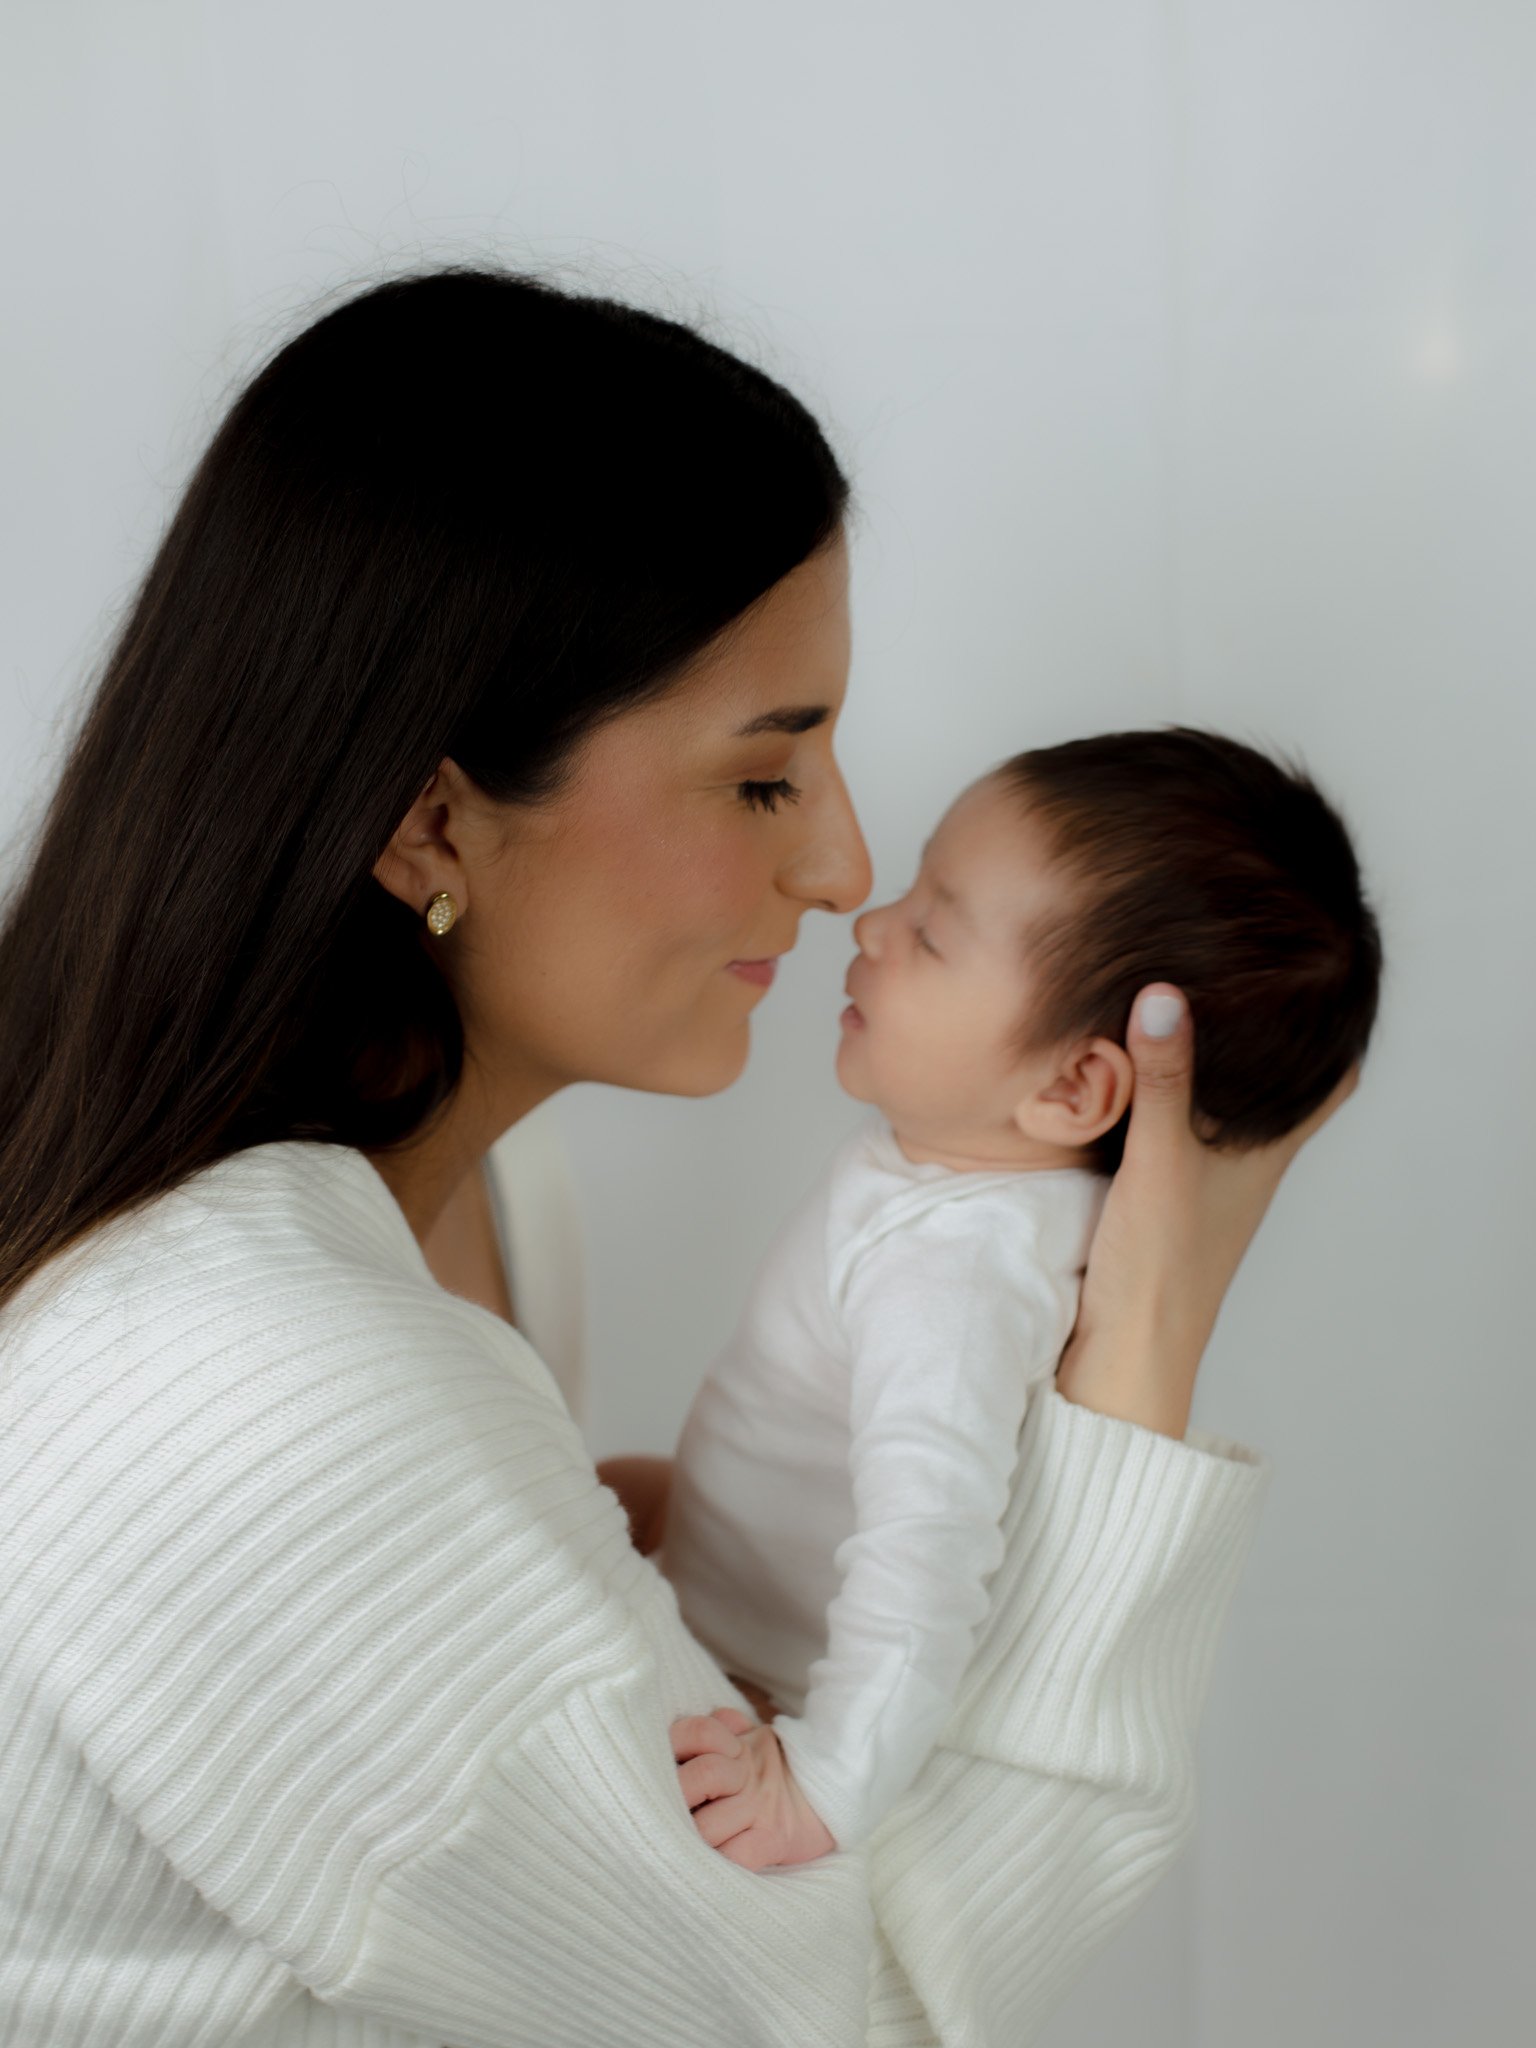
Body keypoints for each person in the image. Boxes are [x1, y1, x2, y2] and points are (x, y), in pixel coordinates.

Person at [0, 264, 1356, 2048]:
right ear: (431, 819)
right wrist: (1142, 1371)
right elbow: (842, 2024)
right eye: (764, 778)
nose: (841, 868)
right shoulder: (273, 1374)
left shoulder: (485, 1212)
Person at [658, 730, 1381, 1870]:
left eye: (931, 933)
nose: (870, 926)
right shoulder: (965, 1196)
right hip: (714, 1580)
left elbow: (925, 1552)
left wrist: (825, 1780)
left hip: (750, 1682)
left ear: (1074, 1085)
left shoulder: (952, 1276)